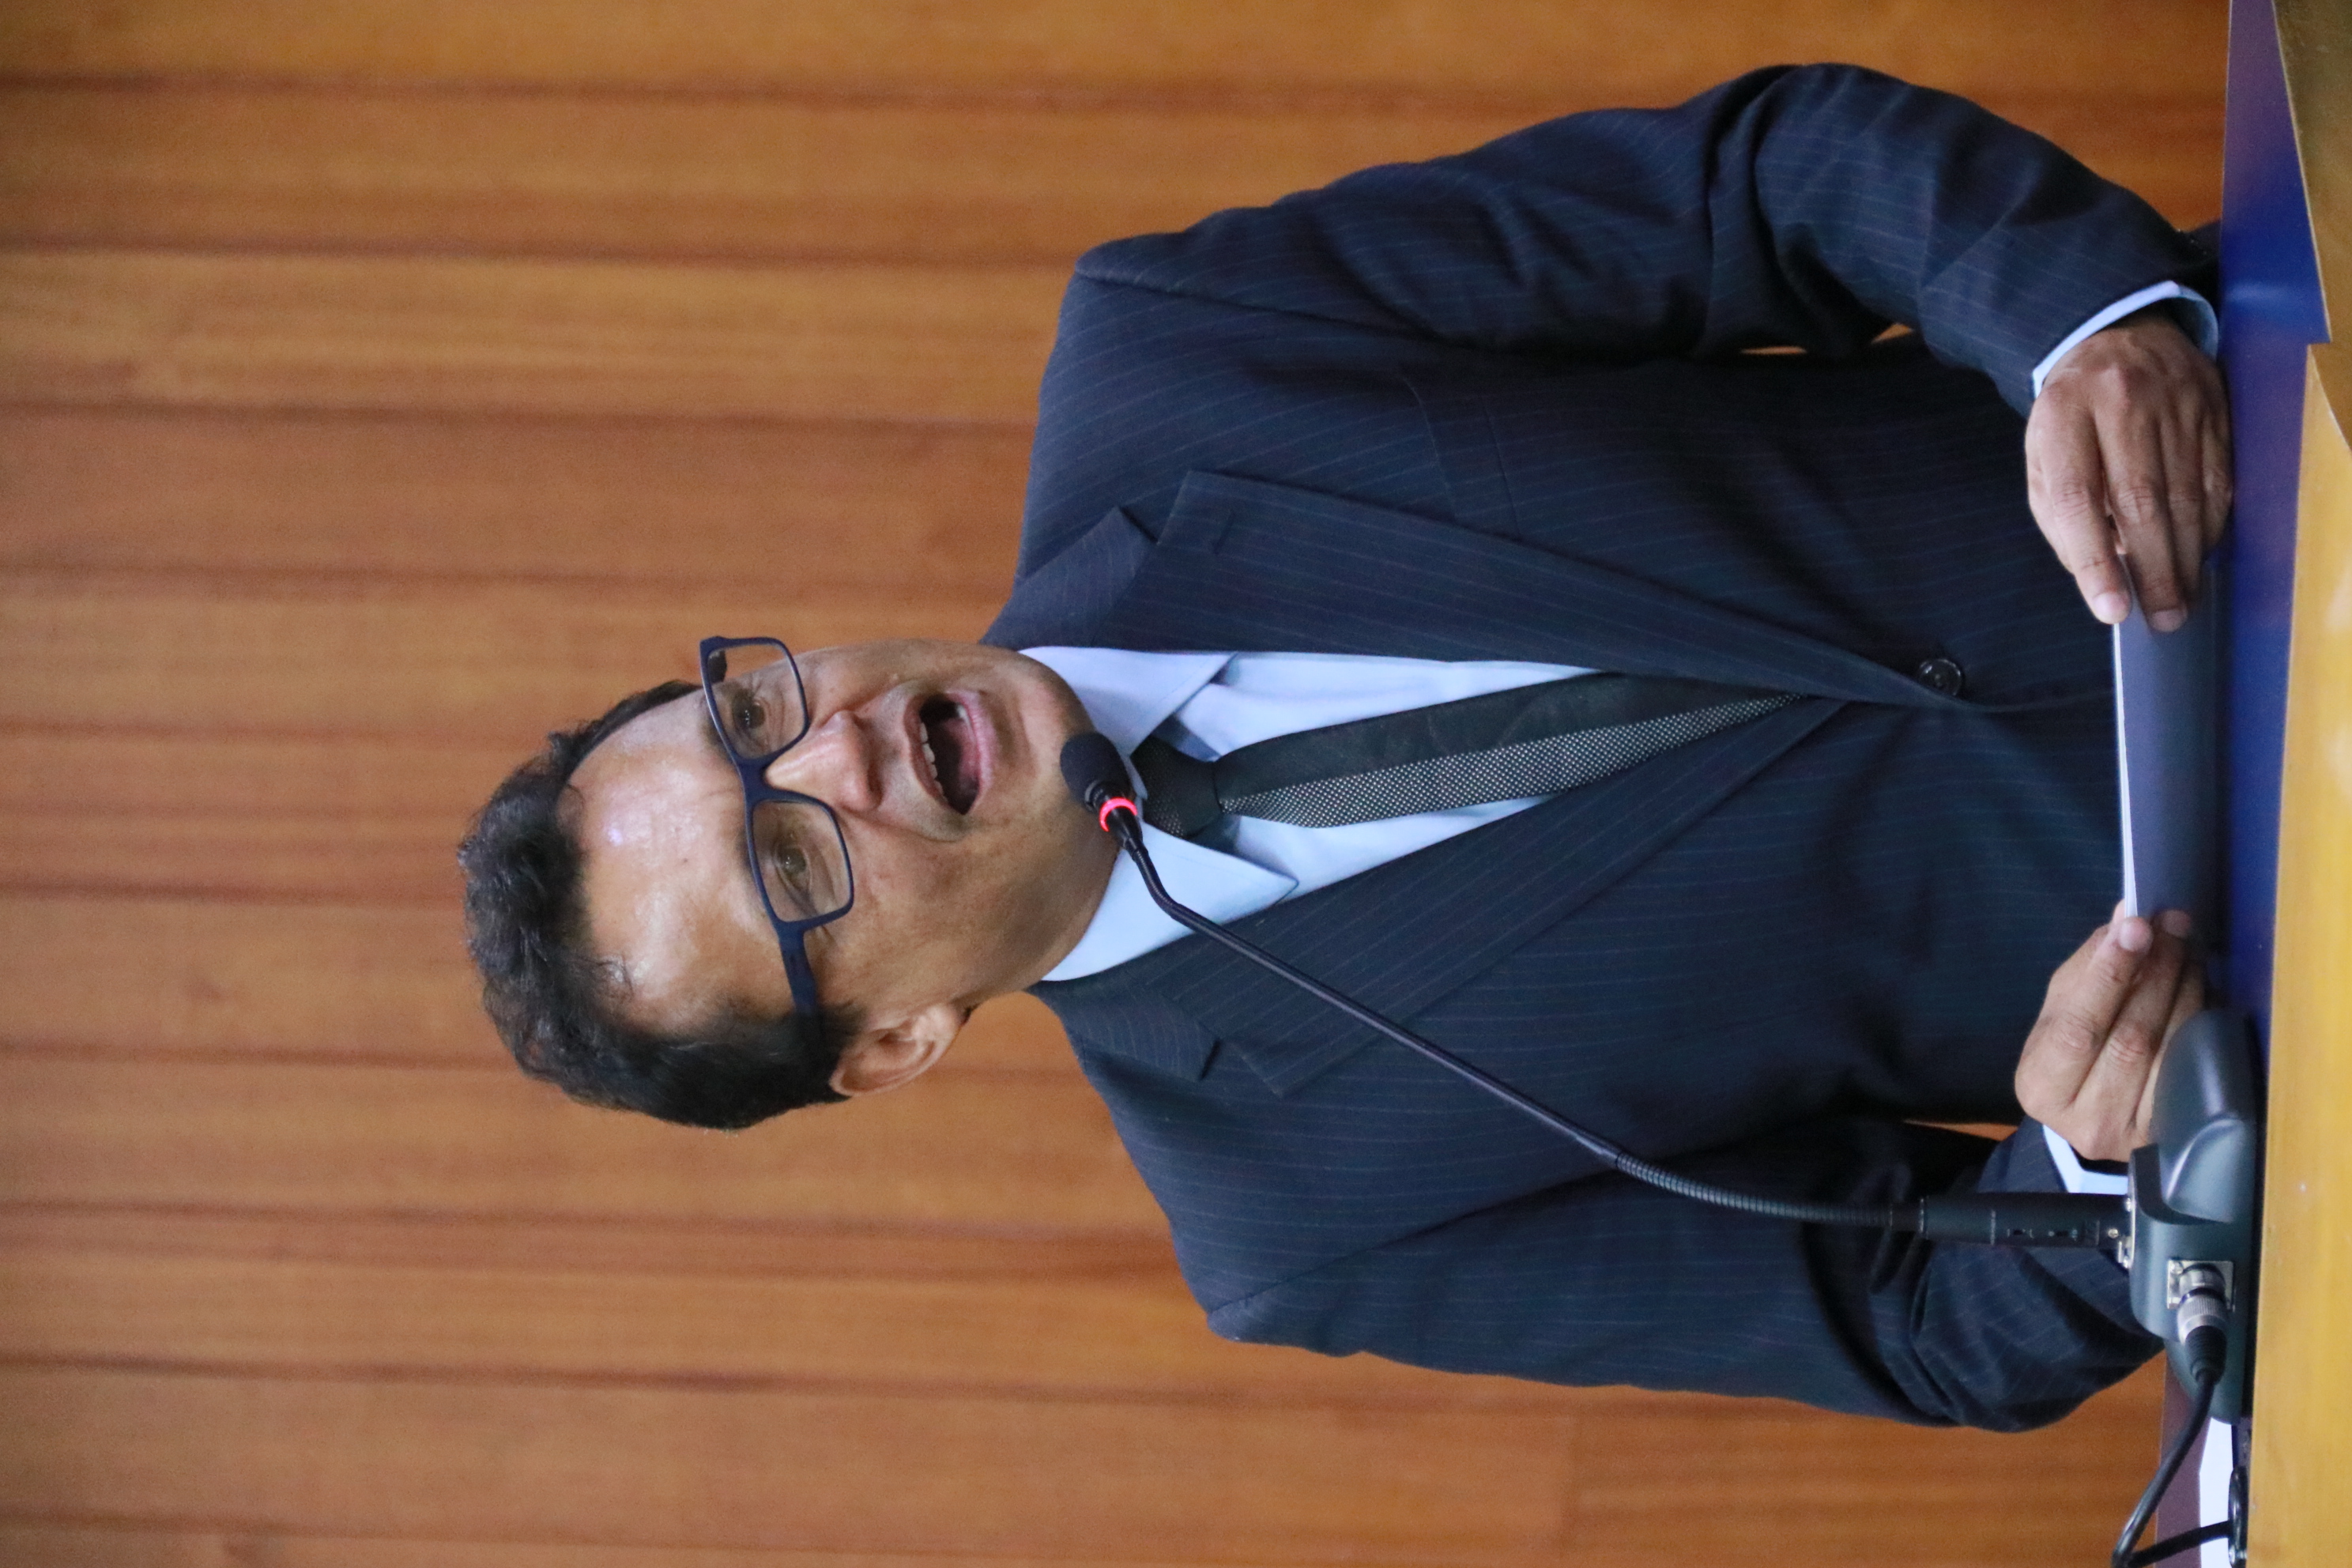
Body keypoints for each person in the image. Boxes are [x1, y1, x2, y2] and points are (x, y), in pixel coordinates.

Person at [461, 65, 2232, 1431]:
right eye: (791, 863)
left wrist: (2081, 320)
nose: (831, 751)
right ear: (892, 1044)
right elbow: (1924, 1325)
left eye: (749, 717)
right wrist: (2096, 1158)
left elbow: (1763, 180)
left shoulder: (1177, 350)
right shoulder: (1305, 1226)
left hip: (2281, 438)